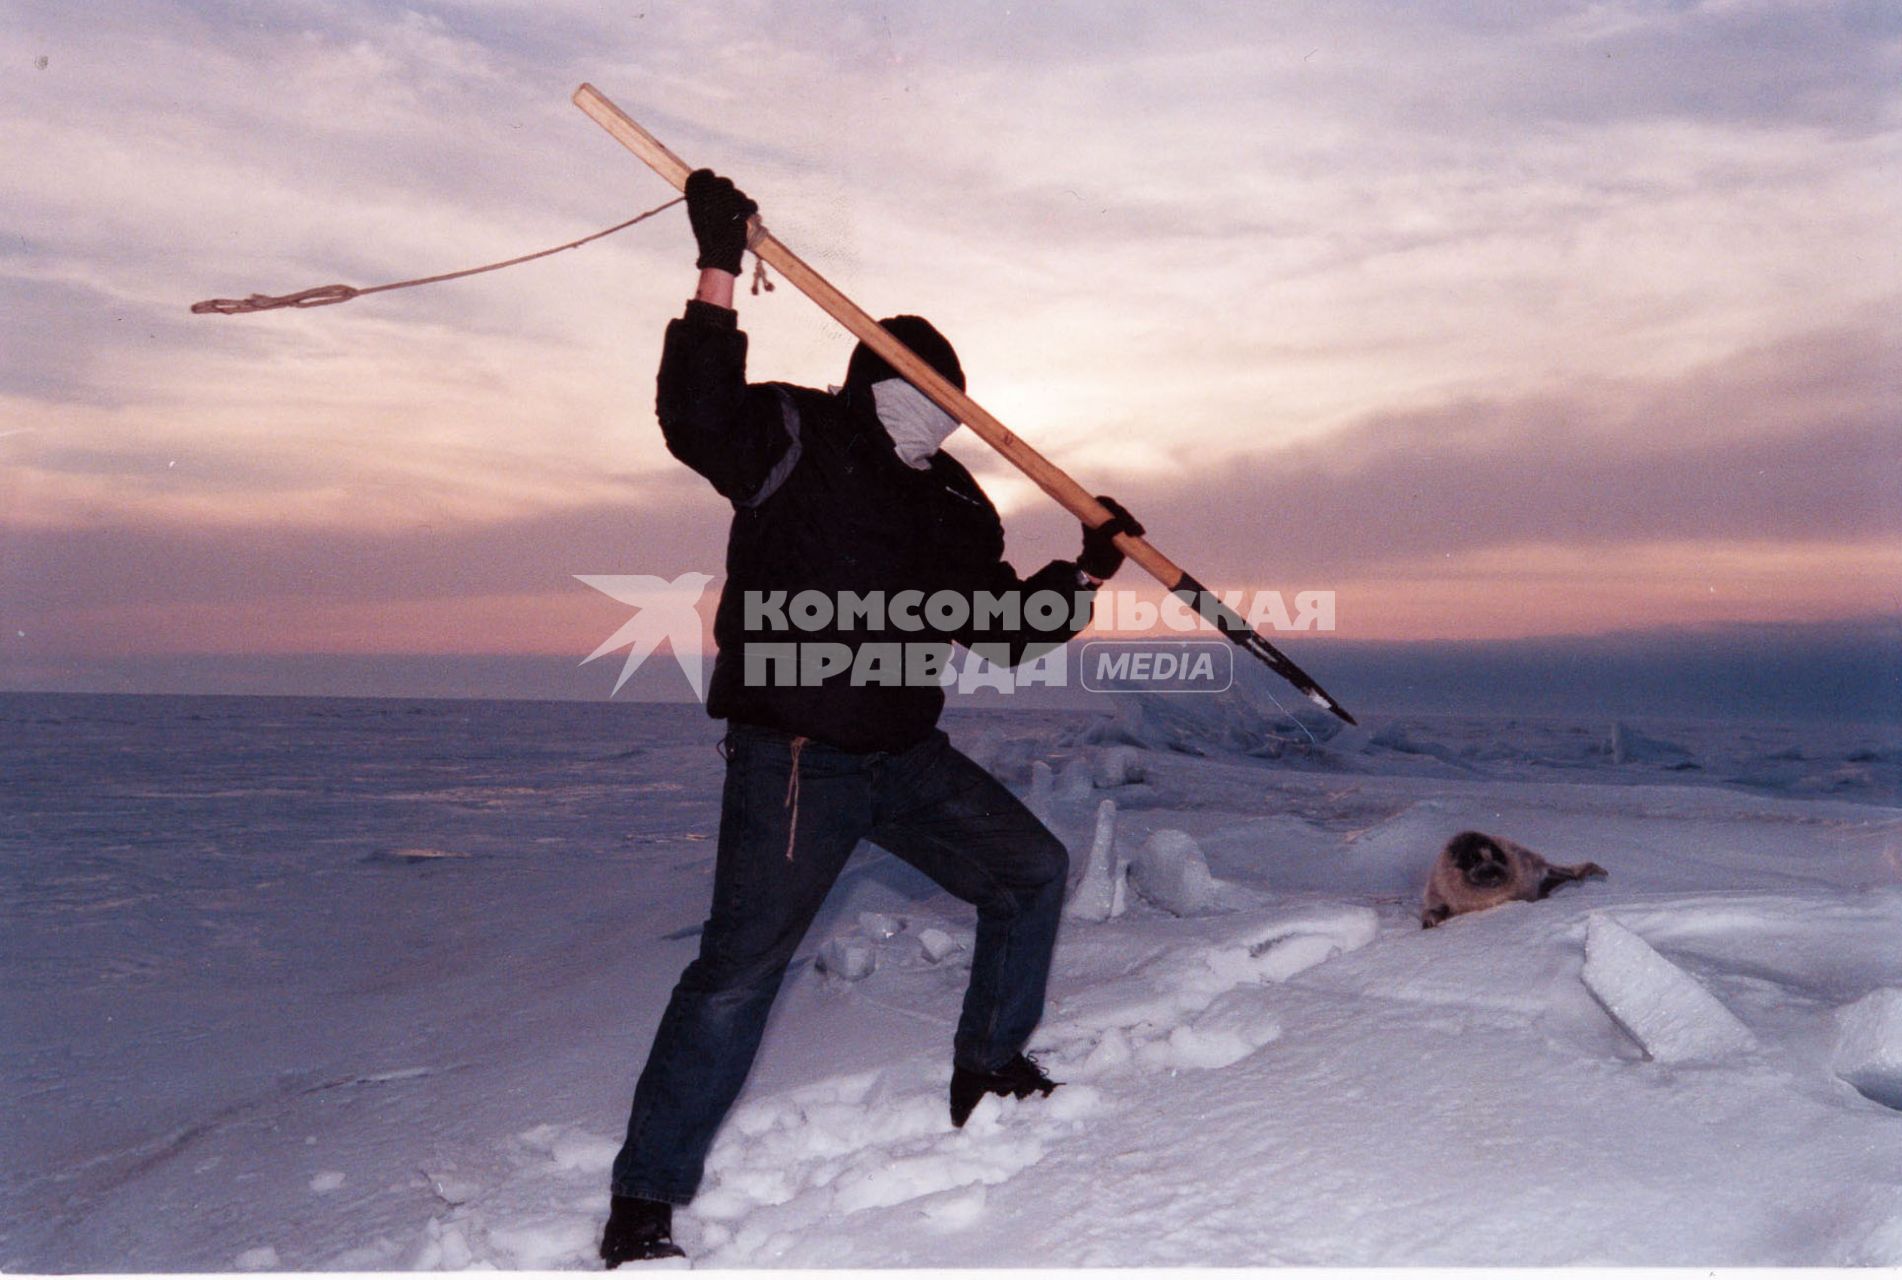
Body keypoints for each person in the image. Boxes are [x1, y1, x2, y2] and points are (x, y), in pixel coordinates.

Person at [600, 170, 1143, 1266]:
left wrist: (1080, 573)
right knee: (740, 972)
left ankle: (987, 1065)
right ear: (873, 380)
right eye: (921, 389)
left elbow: (998, 625)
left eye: (950, 397)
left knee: (1030, 870)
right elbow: (692, 416)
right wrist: (716, 270)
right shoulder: (792, 432)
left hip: (904, 754)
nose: (935, 411)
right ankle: (644, 1201)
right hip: (796, 756)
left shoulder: (952, 497)